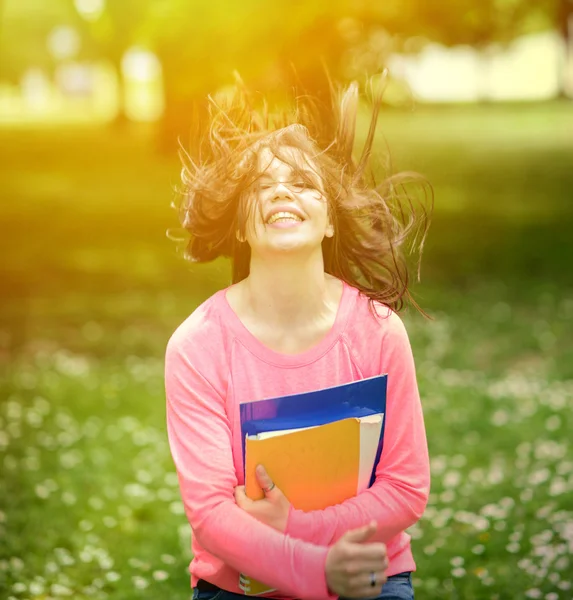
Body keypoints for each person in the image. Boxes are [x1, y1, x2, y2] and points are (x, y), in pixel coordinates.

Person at [164, 79, 431, 600]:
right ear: (239, 228)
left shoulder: (378, 331)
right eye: (260, 187)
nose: (280, 191)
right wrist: (312, 569)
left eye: (303, 183)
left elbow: (405, 488)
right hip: (238, 584)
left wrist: (304, 536)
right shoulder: (197, 345)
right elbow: (211, 513)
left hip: (366, 571)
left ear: (331, 220)